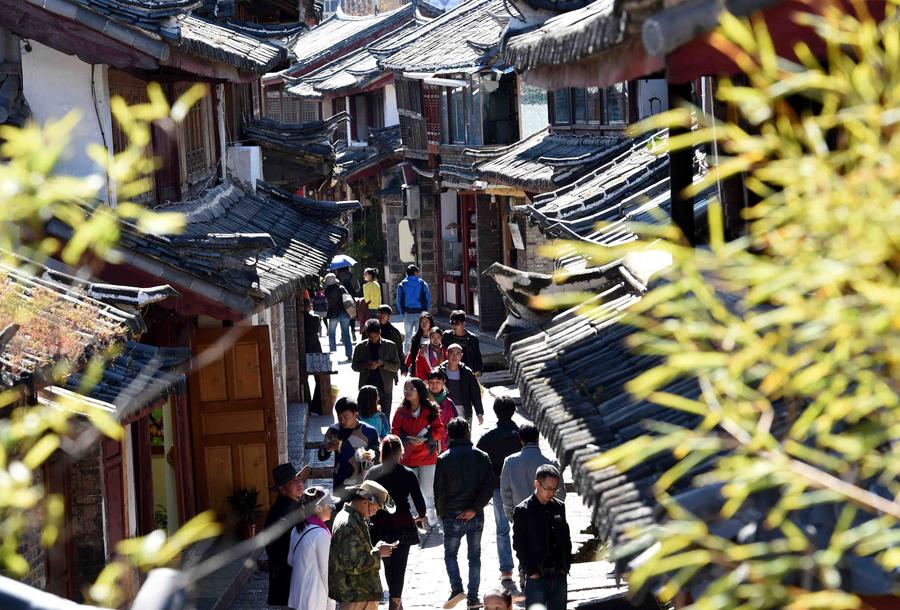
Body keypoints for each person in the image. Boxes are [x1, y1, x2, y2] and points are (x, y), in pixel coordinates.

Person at [434, 417, 494, 609]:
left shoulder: (443, 458)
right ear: (468, 431)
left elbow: (439, 491)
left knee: (450, 554)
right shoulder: (482, 456)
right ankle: (473, 598)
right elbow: (488, 487)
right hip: (475, 515)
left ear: (449, 435)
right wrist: (474, 509)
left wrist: (442, 514)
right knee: (474, 555)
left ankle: (457, 588)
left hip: (453, 515)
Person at [365, 435, 427, 610]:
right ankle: (395, 604)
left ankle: (396, 603)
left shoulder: (373, 473)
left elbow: (364, 497)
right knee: (399, 567)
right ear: (400, 452)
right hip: (402, 524)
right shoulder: (407, 473)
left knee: (388, 565)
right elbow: (420, 504)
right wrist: (420, 516)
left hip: (380, 523)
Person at [475, 397, 522, 593]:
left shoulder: (488, 438)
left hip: (498, 487)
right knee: (523, 526)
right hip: (521, 486)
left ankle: (506, 572)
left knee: (502, 529)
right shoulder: (522, 435)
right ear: (513, 411)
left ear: (495, 412)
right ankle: (526, 566)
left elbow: (478, 462)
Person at [329, 480, 398, 610]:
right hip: (357, 597)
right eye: (376, 508)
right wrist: (379, 553)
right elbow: (352, 564)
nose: (376, 512)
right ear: (365, 502)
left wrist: (376, 548)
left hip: (361, 595)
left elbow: (356, 553)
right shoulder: (349, 524)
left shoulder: (354, 518)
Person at [512, 464, 571, 610]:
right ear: (537, 484)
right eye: (548, 488)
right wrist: (531, 572)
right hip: (537, 576)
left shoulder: (558, 506)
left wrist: (566, 565)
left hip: (559, 573)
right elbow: (519, 544)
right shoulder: (523, 510)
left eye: (555, 489)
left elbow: (565, 537)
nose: (551, 493)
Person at [391, 378, 445, 529]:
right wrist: (406, 440)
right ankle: (418, 518)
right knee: (412, 490)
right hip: (407, 457)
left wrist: (426, 439)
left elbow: (439, 429)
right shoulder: (401, 411)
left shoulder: (431, 409)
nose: (407, 392)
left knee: (427, 489)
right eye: (405, 389)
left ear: (419, 391)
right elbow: (395, 430)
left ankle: (430, 510)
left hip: (427, 456)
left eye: (411, 389)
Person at [264, 461, 310, 607]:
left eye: (298, 478)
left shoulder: (294, 504)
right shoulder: (285, 511)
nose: (299, 483)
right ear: (282, 490)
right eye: (292, 481)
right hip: (288, 575)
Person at [500, 423, 566, 523]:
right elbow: (560, 492)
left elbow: (505, 492)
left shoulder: (510, 462)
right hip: (547, 516)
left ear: (521, 440)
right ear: (538, 438)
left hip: (522, 516)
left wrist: (512, 515)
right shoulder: (551, 462)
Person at [287, 486, 339, 610]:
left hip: (298, 596)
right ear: (318, 508)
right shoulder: (320, 534)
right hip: (315, 599)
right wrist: (331, 603)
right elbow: (326, 572)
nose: (331, 508)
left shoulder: (296, 529)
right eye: (329, 505)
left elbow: (290, 560)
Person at [318, 397, 380, 499]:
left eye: (346, 417)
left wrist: (370, 454)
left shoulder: (370, 431)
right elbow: (321, 456)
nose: (342, 421)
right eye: (339, 417)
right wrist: (327, 449)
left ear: (356, 414)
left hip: (362, 482)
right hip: (340, 482)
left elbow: (377, 451)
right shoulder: (333, 430)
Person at [351, 319, 402, 420]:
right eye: (371, 337)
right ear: (366, 333)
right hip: (367, 389)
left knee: (385, 418)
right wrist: (366, 365)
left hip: (386, 388)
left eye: (375, 336)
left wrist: (383, 363)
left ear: (380, 332)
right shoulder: (360, 347)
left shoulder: (390, 346)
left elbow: (396, 366)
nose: (373, 339)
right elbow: (354, 366)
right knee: (367, 418)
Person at [439, 344, 484, 426]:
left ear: (462, 355)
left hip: (463, 409)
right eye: (452, 353)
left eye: (458, 353)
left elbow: (475, 393)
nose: (455, 356)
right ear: (446, 354)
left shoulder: (467, 372)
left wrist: (479, 413)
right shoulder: (439, 372)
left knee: (463, 436)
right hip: (444, 410)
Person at [395, 264, 431, 354]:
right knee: (421, 335)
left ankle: (407, 355)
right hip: (421, 313)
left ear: (407, 273)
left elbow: (399, 301)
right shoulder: (423, 284)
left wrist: (402, 313)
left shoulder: (402, 285)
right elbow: (428, 299)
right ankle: (420, 354)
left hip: (408, 313)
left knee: (408, 336)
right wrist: (426, 312)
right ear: (416, 272)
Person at [441, 310, 483, 376]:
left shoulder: (472, 339)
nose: (454, 326)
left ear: (463, 324)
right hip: (450, 370)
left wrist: (478, 371)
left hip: (467, 371)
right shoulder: (447, 336)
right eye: (452, 324)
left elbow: (477, 357)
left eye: (457, 324)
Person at [426, 369, 458, 452]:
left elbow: (456, 423)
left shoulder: (449, 403)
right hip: (428, 445)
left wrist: (450, 439)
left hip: (447, 445)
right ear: (427, 383)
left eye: (438, 382)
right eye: (431, 382)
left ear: (443, 383)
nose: (434, 385)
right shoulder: (424, 402)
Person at [302, 298, 324, 413]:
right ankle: (316, 406)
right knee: (319, 380)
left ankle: (308, 405)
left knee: (304, 381)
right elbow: (318, 330)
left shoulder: (297, 319)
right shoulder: (315, 319)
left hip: (301, 354)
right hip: (315, 352)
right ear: (308, 307)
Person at [324, 273, 353, 361]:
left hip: (333, 314)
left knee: (332, 334)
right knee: (346, 334)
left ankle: (333, 354)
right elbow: (348, 298)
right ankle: (349, 354)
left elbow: (326, 302)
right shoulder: (341, 288)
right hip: (344, 312)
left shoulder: (326, 291)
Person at [377, 305, 407, 377]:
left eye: (384, 314)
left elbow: (399, 350)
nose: (381, 316)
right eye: (379, 313)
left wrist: (403, 368)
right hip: (374, 365)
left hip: (389, 366)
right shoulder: (372, 328)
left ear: (388, 316)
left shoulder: (394, 332)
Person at [405, 312, 436, 378]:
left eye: (426, 321)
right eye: (422, 322)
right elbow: (411, 353)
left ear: (430, 322)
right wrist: (405, 367)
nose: (424, 324)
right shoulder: (416, 339)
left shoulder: (436, 337)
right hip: (418, 371)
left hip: (433, 371)